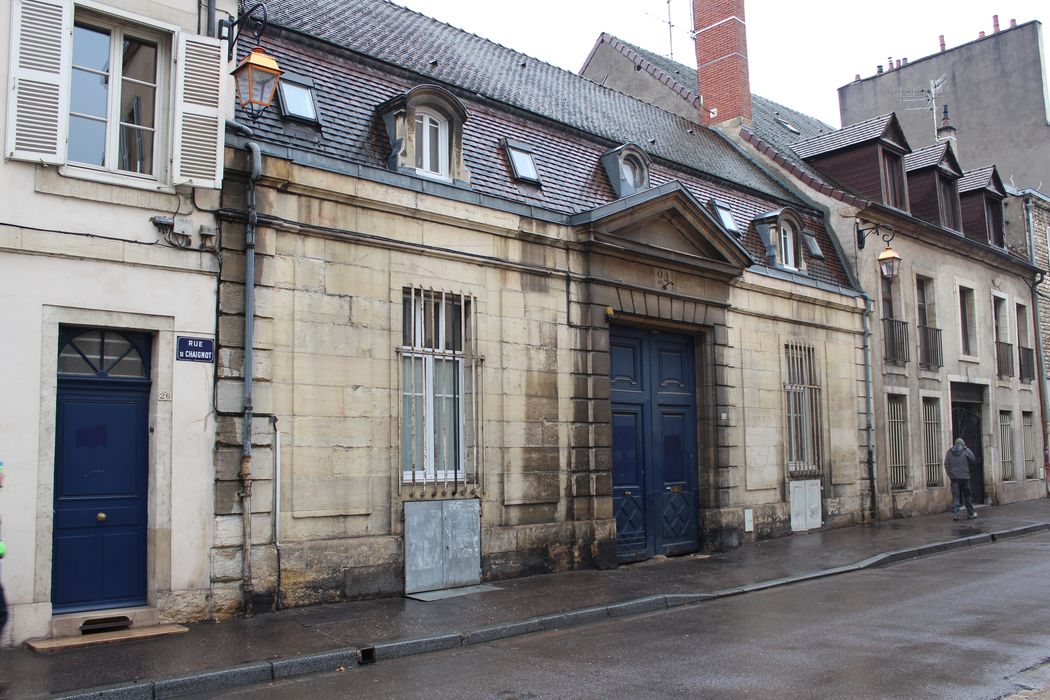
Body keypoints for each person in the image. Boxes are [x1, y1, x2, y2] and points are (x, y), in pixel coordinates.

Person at [944, 438, 977, 521]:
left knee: (955, 496)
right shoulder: (965, 450)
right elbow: (973, 459)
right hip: (965, 477)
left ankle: (956, 514)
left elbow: (946, 464)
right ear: (963, 444)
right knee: (967, 496)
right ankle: (970, 513)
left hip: (954, 478)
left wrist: (950, 474)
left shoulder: (949, 452)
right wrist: (967, 448)